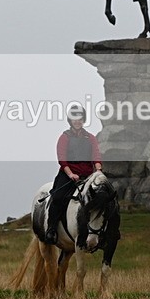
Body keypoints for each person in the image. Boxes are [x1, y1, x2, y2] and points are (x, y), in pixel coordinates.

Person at [44, 105, 103, 245]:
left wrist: (99, 170)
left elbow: (96, 155)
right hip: (68, 174)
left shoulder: (91, 138)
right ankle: (51, 230)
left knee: (103, 197)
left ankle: (105, 231)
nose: (78, 121)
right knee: (57, 197)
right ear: (70, 120)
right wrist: (71, 174)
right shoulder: (64, 137)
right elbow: (62, 159)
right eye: (75, 119)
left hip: (87, 176)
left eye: (80, 118)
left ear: (84, 120)